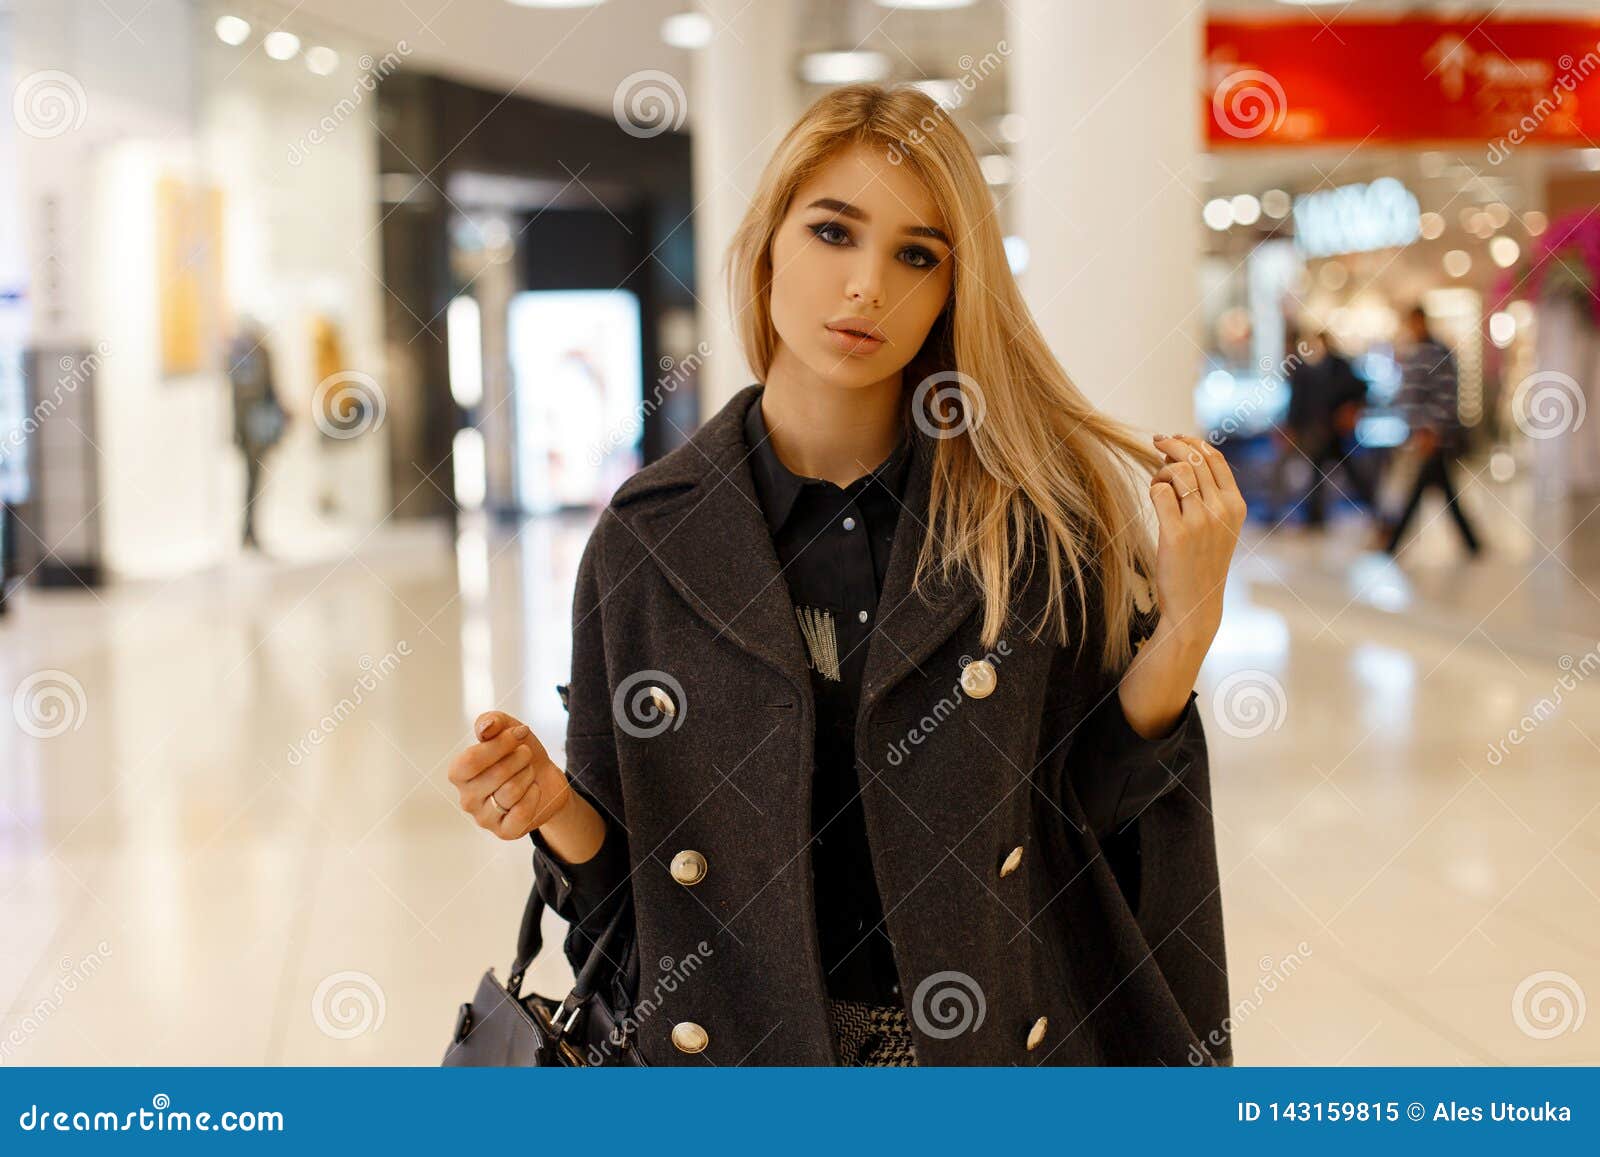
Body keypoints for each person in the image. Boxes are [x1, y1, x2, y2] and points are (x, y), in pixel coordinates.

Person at [446, 85, 1245, 1066]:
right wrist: (548, 806)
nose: (868, 284)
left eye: (917, 253)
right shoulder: (648, 541)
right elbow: (621, 901)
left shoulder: (1025, 527)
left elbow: (1098, 823)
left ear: (956, 289)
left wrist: (1186, 626)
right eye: (833, 231)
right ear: (768, 241)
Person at [1380, 306, 1482, 557]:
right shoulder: (1416, 352)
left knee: (1419, 490)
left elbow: (1445, 395)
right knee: (1438, 491)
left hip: (1433, 438)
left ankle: (1393, 543)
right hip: (1421, 436)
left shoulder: (1437, 353)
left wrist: (1432, 430)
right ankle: (1471, 544)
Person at [1280, 328, 1372, 529]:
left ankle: (1368, 505)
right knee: (1320, 472)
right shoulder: (1317, 369)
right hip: (1325, 431)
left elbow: (1360, 390)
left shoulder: (1338, 367)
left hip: (1335, 433)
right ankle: (1316, 516)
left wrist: (1350, 411)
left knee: (1341, 471)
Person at [226, 319, 287, 551]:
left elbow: (268, 390)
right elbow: (241, 395)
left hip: (258, 423)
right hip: (251, 425)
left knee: (256, 480)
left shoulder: (257, 352)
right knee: (252, 481)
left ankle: (251, 531)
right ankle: (248, 532)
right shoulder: (246, 352)